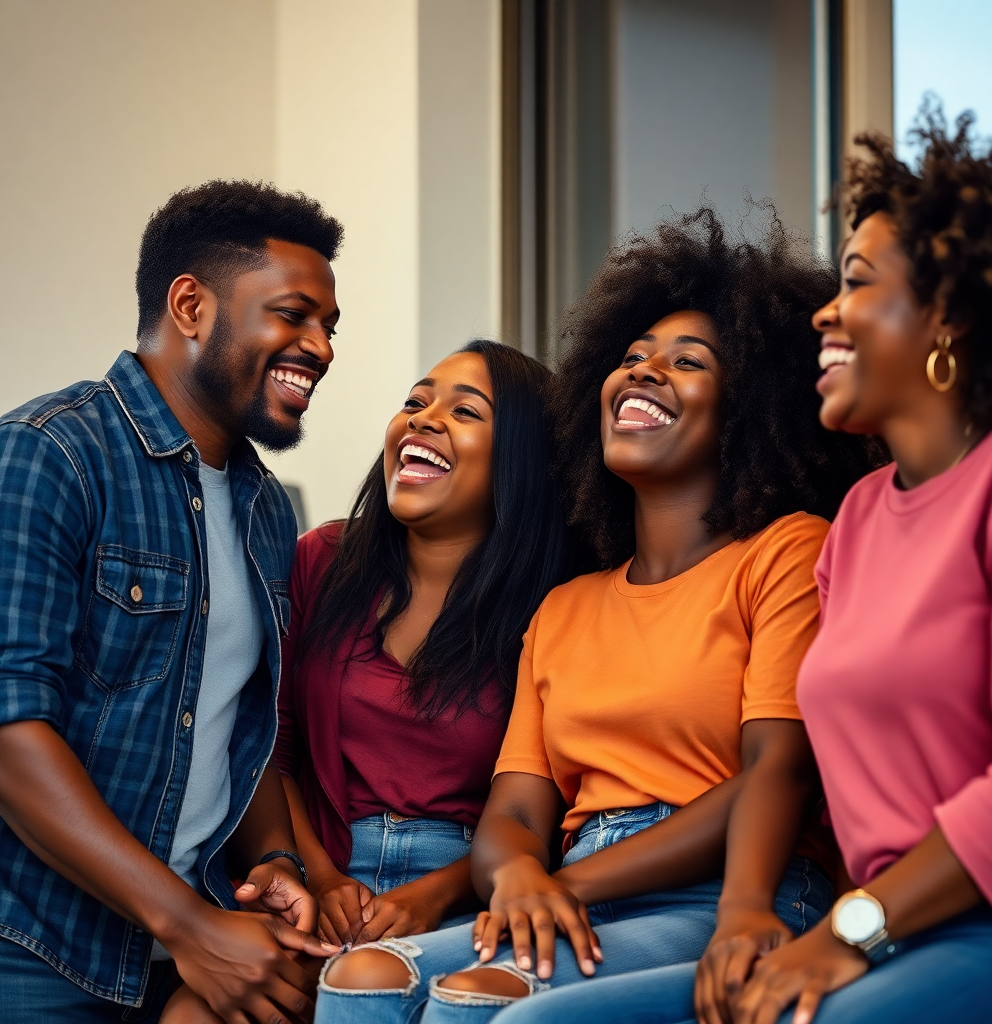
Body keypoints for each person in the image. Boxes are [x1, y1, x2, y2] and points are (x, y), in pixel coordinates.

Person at [498, 110, 992, 1024]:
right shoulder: (858, 521)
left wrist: (841, 929)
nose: (826, 308)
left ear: (948, 316)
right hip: (885, 930)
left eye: (857, 281)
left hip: (985, 921)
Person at [313, 208, 881, 1024]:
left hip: (727, 888)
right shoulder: (566, 607)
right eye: (632, 357)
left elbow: (776, 773)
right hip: (572, 885)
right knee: (364, 976)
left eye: (689, 363)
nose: (645, 372)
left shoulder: (786, 554)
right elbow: (514, 811)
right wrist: (519, 878)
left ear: (752, 405)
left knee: (479, 998)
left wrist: (560, 883)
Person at [0, 180, 344, 1024]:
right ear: (190, 305)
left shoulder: (266, 507)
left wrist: (274, 863)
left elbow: (238, 720)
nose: (322, 348)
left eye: (330, 327)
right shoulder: (48, 454)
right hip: (34, 953)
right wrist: (189, 924)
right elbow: (11, 731)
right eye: (294, 315)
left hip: (184, 959)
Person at [160, 339, 576, 1023]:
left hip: (475, 891)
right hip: (323, 866)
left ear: (521, 462)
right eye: (414, 401)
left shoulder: (555, 602)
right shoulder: (321, 560)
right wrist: (316, 876)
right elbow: (269, 741)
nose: (422, 417)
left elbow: (551, 804)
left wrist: (433, 897)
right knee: (192, 1014)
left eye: (464, 411)